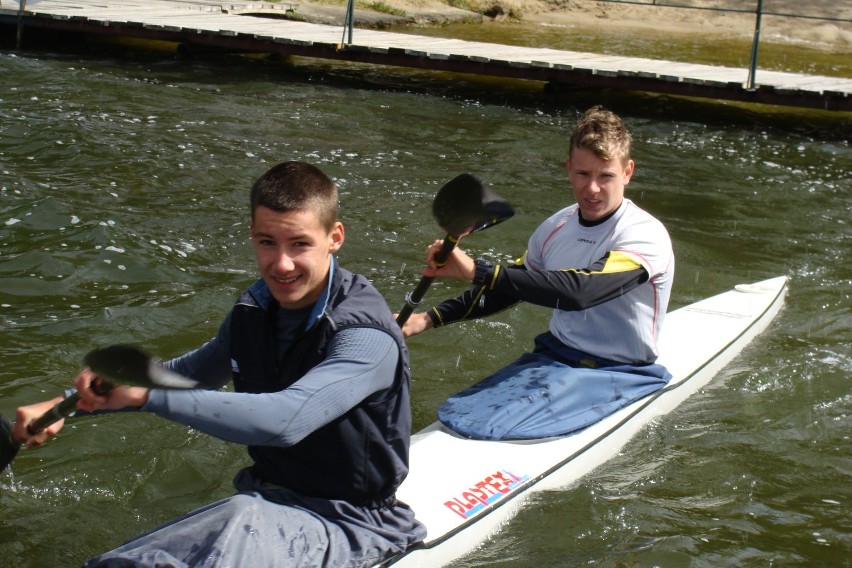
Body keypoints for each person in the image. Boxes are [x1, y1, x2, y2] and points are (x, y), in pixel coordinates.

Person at [13, 161, 426, 567]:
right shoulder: (254, 310)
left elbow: (287, 418)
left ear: (334, 237)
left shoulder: (365, 335)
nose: (281, 264)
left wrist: (148, 398)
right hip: (261, 501)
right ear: (251, 235)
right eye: (267, 242)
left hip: (351, 521)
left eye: (299, 244)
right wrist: (64, 405)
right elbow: (185, 377)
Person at [401, 106, 675, 441]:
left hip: (620, 370)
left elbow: (580, 292)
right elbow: (509, 289)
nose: (592, 189)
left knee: (483, 427)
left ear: (628, 172)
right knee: (459, 412)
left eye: (606, 176)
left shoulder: (644, 234)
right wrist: (426, 320)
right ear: (568, 168)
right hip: (555, 355)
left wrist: (476, 269)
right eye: (582, 174)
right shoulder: (554, 228)